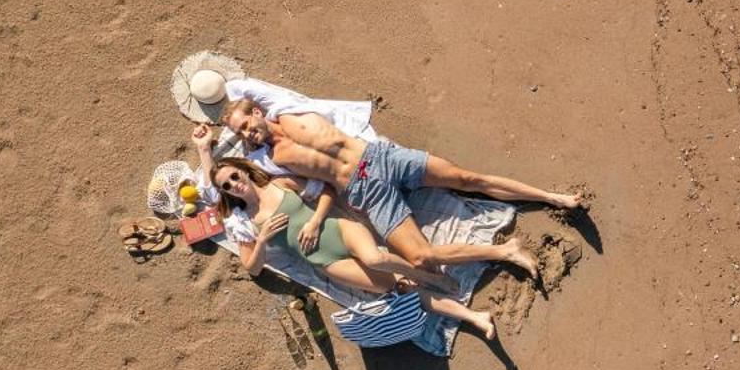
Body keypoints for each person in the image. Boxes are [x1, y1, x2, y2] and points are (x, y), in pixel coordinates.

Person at [192, 92, 584, 281]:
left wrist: (221, 97)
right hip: (365, 193)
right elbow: (215, 190)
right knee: (421, 260)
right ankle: (507, 251)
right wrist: (205, 148)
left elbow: (245, 83)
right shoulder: (267, 162)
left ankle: (553, 197)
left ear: (257, 111)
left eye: (247, 124)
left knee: (468, 179)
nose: (248, 133)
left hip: (380, 157)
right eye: (241, 133)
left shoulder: (290, 109)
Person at [209, 158, 506, 339]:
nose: (235, 184)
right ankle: (475, 318)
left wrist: (314, 221)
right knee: (399, 290)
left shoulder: (280, 183)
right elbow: (253, 268)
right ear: (225, 193)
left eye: (234, 176)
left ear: (243, 170)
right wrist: (262, 240)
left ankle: (432, 277)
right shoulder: (242, 222)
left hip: (338, 230)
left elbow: (325, 192)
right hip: (324, 260)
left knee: (375, 257)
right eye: (226, 185)